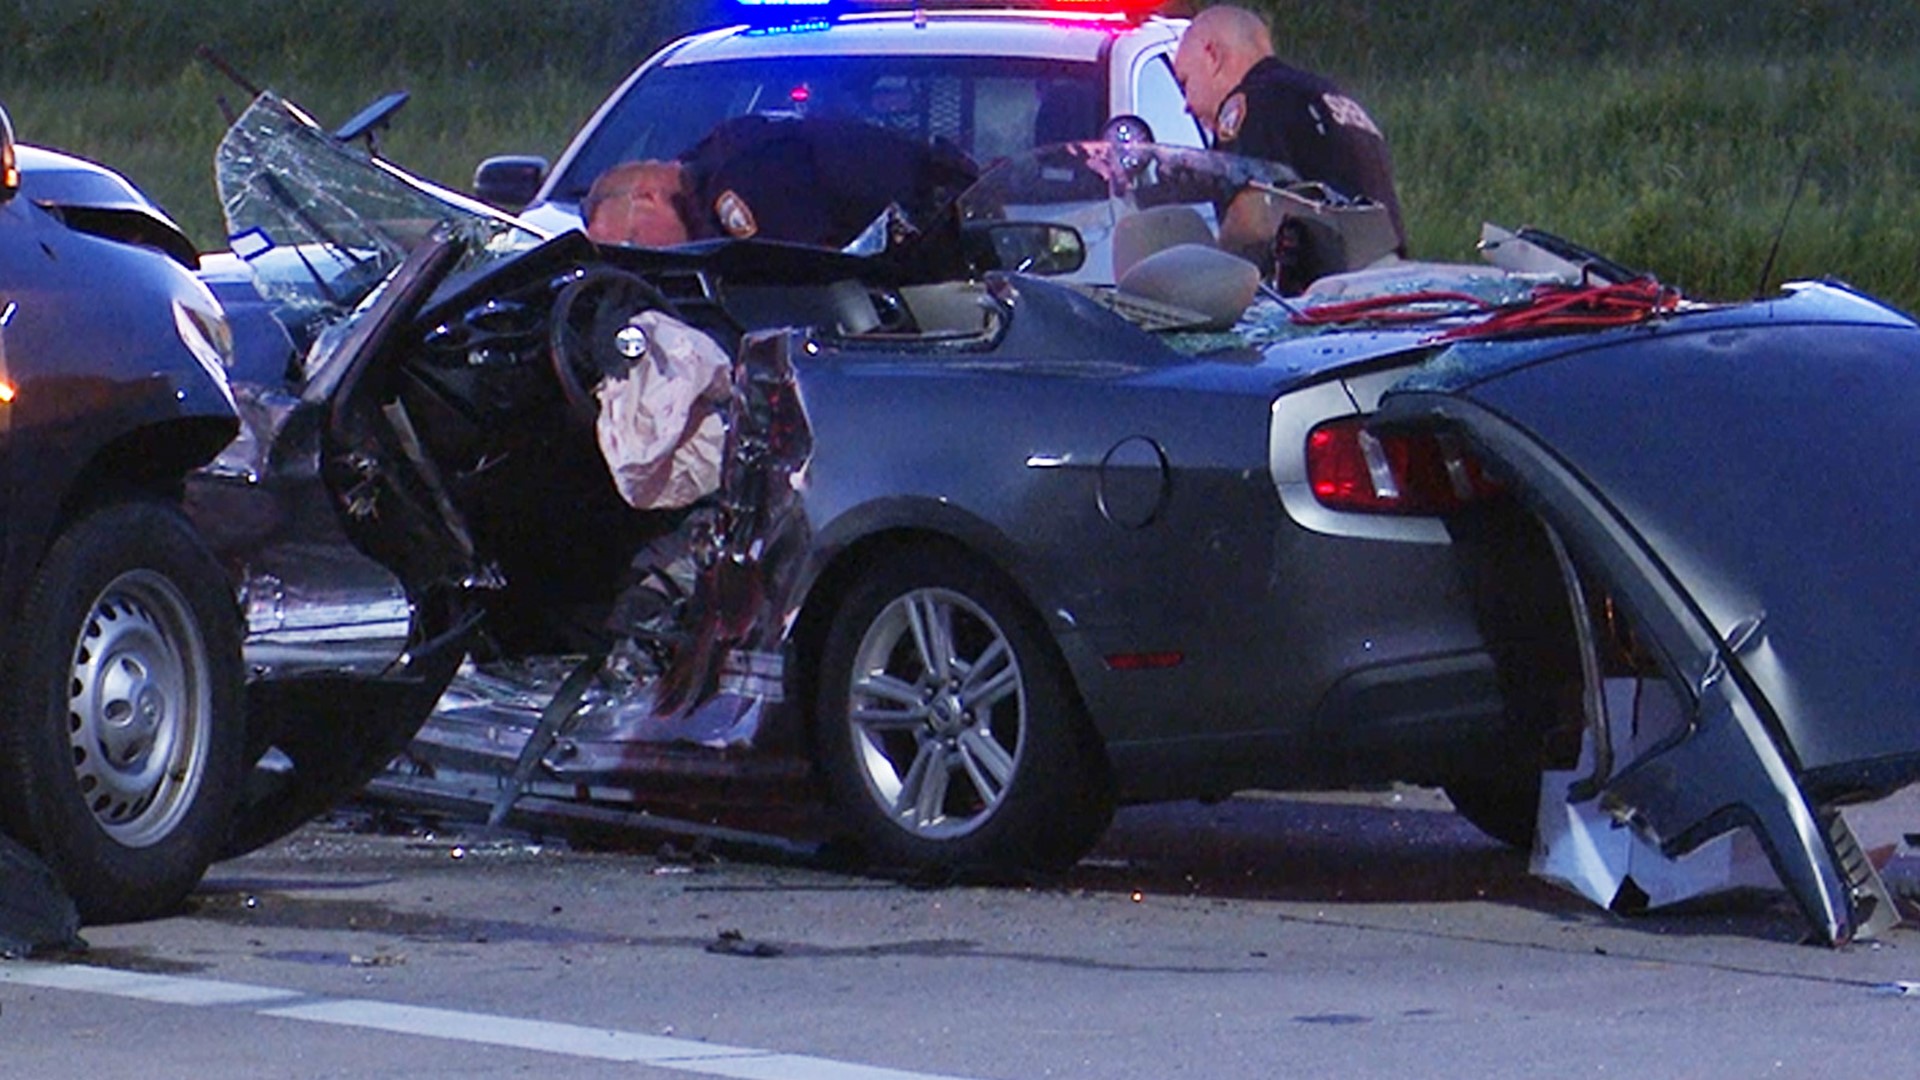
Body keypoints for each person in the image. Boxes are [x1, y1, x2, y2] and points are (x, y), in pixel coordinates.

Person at [1172, 4, 1406, 255]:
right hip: (1383, 278)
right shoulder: (1327, 95)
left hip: (1323, 286)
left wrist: (1214, 267)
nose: (1187, 105)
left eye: (1185, 82)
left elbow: (1253, 217)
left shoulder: (1253, 103)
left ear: (1213, 56)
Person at [584, 114, 978, 252]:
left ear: (648, 196)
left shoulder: (738, 183)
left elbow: (805, 278)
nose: (638, 260)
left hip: (957, 236)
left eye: (633, 241)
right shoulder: (713, 165)